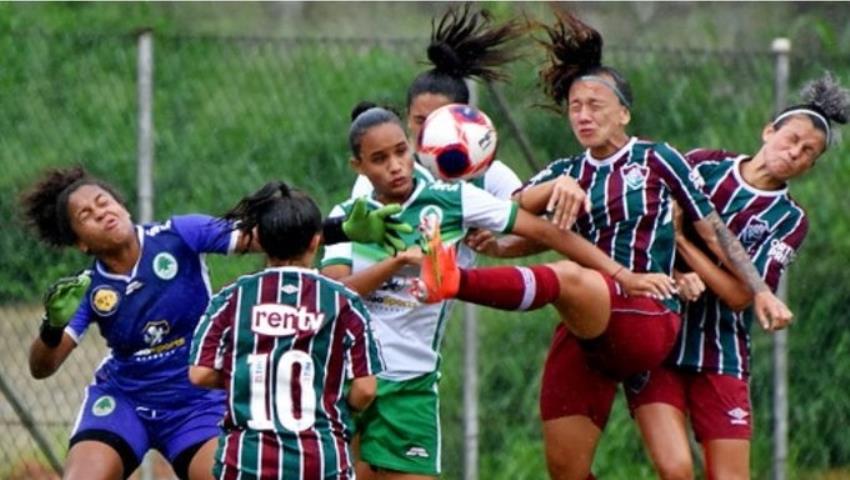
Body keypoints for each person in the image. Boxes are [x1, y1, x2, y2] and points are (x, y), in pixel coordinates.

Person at [463, 11, 794, 480]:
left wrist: (759, 289)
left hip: (645, 312)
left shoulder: (657, 159)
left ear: (624, 113)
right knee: (566, 470)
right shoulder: (568, 170)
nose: (583, 115)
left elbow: (713, 227)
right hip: (590, 321)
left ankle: (454, 282)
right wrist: (507, 237)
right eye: (575, 106)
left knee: (677, 469)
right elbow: (520, 218)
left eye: (595, 104)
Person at [320, 104, 674, 480]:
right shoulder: (347, 219)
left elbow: (547, 232)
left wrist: (623, 275)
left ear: (413, 148)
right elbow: (338, 290)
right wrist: (394, 264)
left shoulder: (451, 200)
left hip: (411, 380)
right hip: (350, 376)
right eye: (379, 159)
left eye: (400, 152)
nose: (395, 165)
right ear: (358, 166)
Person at [21, 166, 410, 480]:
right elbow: (43, 367)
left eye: (103, 202)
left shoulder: (179, 234)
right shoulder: (86, 289)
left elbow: (273, 239)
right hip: (126, 399)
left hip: (197, 398)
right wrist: (51, 327)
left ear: (122, 205)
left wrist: (340, 230)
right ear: (81, 243)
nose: (100, 212)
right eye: (85, 216)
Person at [624, 73, 849, 480]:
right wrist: (676, 270)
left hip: (721, 351)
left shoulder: (790, 220)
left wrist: (685, 242)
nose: (795, 152)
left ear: (811, 165)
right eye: (791, 138)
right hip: (658, 338)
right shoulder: (703, 164)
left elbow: (739, 295)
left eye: (808, 152)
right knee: (675, 471)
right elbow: (644, 228)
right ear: (768, 131)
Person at [188, 181, 384, 479]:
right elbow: (366, 389)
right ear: (316, 241)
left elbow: (199, 373)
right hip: (321, 460)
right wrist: (333, 400)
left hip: (246, 462)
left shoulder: (231, 299)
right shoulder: (343, 301)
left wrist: (249, 380)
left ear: (261, 242)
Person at [351, 4, 523, 223]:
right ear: (407, 119)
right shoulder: (383, 174)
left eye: (439, 121)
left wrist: (501, 244)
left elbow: (532, 221)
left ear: (463, 120)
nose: (427, 131)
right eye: (419, 120)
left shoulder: (487, 173)